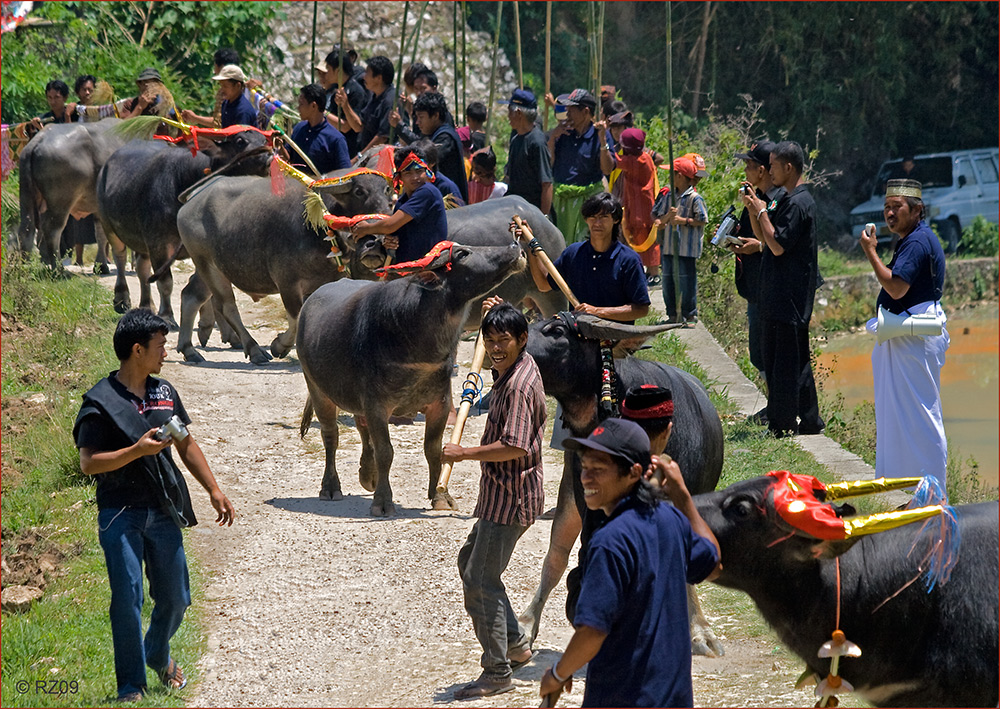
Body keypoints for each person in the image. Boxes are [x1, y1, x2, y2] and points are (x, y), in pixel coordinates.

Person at [72, 309, 235, 702]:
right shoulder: (100, 401)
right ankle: (131, 686)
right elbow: (88, 463)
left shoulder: (164, 392)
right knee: (127, 598)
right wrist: (136, 451)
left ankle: (156, 652)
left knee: (177, 598)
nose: (166, 352)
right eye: (160, 346)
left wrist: (212, 488)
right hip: (120, 512)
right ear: (137, 349)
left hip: (162, 509)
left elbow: (185, 443)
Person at [539, 418, 720, 708]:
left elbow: (592, 631)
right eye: (584, 467)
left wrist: (559, 673)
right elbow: (712, 562)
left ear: (633, 473)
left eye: (598, 470)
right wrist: (683, 497)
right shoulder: (670, 520)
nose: (586, 478)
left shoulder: (610, 542)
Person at [444, 299, 547, 699]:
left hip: (511, 498)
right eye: (490, 339)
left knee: (479, 578)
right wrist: (498, 310)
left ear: (523, 339)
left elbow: (516, 446)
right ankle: (517, 643)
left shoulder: (519, 386)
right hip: (502, 495)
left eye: (505, 340)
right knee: (471, 562)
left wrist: (464, 453)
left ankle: (497, 671)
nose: (497, 347)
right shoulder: (516, 367)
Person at [859, 178, 949, 487]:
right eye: (886, 207)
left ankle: (934, 494)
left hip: (914, 336)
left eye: (897, 207)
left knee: (922, 418)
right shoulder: (912, 238)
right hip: (907, 335)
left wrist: (871, 252)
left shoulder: (917, 241)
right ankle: (918, 491)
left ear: (916, 209)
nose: (889, 213)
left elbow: (896, 288)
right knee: (907, 418)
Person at [741, 140, 824, 437]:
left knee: (783, 364)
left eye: (774, 165)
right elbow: (762, 236)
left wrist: (762, 212)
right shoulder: (782, 200)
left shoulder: (799, 203)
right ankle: (811, 420)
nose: (770, 171)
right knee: (795, 361)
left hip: (788, 298)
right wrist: (755, 210)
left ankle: (782, 424)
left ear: (788, 167)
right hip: (776, 295)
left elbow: (776, 246)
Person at [525, 191, 650, 324]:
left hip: (618, 337)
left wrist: (596, 311)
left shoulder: (628, 260)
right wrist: (530, 244)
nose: (597, 223)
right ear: (585, 219)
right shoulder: (573, 254)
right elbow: (544, 285)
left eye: (603, 217)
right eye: (592, 217)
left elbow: (641, 309)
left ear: (616, 219)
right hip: (580, 337)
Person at [728, 140, 786, 424]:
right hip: (756, 286)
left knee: (770, 352)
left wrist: (756, 246)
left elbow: (779, 244)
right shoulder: (756, 197)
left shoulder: (777, 202)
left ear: (763, 170)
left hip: (772, 289)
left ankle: (780, 408)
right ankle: (773, 405)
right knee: (759, 352)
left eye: (750, 165)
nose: (746, 170)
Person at [351, 145, 447, 264]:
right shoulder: (403, 200)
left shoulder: (427, 192)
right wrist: (389, 241)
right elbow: (393, 232)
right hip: (410, 266)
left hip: (428, 267)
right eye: (408, 173)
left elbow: (390, 226)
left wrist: (366, 228)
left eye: (419, 171)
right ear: (399, 176)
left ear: (427, 172)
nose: (415, 177)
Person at [548, 89, 616, 243]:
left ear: (585, 111)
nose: (567, 113)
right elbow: (549, 164)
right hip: (561, 201)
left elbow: (607, 169)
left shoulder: (599, 135)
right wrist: (552, 138)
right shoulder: (564, 133)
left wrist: (602, 140)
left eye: (571, 110)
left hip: (587, 203)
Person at [655, 156, 707, 326]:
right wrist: (667, 218)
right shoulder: (669, 196)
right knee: (669, 280)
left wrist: (683, 221)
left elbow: (702, 219)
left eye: (673, 173)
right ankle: (673, 314)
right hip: (669, 247)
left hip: (686, 249)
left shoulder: (694, 198)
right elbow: (658, 220)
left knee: (686, 281)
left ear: (680, 176)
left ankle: (689, 314)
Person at [609, 128, 660, 286]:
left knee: (644, 240)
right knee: (647, 240)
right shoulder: (645, 157)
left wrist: (604, 144)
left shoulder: (634, 161)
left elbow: (615, 161)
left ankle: (653, 273)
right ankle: (651, 272)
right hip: (643, 206)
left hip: (640, 209)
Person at [502, 88, 553, 215]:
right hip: (516, 209)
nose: (508, 116)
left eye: (509, 111)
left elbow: (546, 184)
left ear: (519, 113)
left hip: (532, 212)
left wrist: (544, 218)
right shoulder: (515, 140)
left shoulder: (537, 142)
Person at [412, 91, 469, 203]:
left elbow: (425, 159)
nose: (418, 122)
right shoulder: (432, 134)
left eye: (421, 117)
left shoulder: (445, 137)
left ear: (435, 116)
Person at [287, 83, 350, 175]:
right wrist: (278, 143)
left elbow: (345, 175)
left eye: (301, 104)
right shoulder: (299, 128)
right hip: (296, 187)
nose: (298, 108)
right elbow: (287, 157)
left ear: (313, 106)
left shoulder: (336, 139)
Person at [322, 47, 369, 159]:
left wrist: (321, 113)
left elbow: (347, 126)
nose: (326, 74)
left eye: (328, 69)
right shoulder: (334, 89)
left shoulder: (355, 90)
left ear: (338, 71)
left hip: (348, 150)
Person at [357, 55, 396, 155]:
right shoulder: (373, 96)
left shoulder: (390, 101)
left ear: (378, 78)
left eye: (367, 73)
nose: (364, 77)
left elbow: (382, 137)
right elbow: (361, 125)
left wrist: (361, 156)